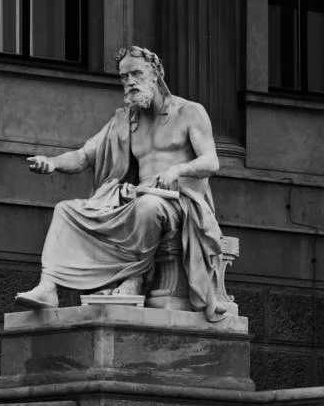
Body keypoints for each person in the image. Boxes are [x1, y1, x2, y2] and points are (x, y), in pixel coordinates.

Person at [15, 45, 231, 321]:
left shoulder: (189, 112)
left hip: (181, 201)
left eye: (136, 74)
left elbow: (211, 161)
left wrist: (177, 170)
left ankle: (134, 279)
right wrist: (53, 163)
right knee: (65, 210)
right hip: (139, 197)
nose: (129, 83)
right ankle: (48, 286)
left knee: (148, 206)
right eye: (124, 77)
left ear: (157, 74)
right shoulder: (126, 121)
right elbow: (83, 156)